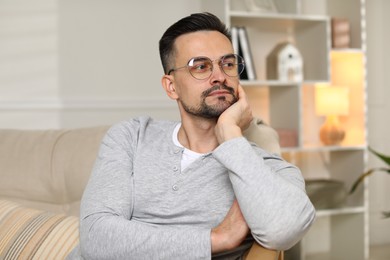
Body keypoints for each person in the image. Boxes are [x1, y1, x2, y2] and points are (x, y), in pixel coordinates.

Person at [68, 12, 315, 260]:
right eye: (201, 66)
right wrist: (215, 239)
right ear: (171, 87)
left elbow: (285, 230)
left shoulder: (265, 169)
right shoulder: (131, 136)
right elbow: (95, 238)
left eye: (227, 64)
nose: (219, 76)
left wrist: (230, 133)